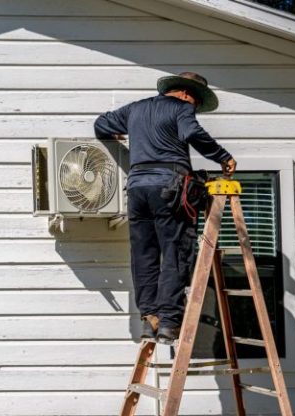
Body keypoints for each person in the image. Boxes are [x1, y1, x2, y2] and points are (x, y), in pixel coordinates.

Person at [94, 72, 237, 343]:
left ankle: (150, 318)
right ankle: (170, 321)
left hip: (136, 189)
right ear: (186, 94)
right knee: (175, 251)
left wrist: (124, 132)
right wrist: (223, 156)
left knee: (144, 254)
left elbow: (101, 124)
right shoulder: (182, 108)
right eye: (195, 103)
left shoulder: (135, 109)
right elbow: (192, 132)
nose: (194, 109)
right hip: (169, 187)